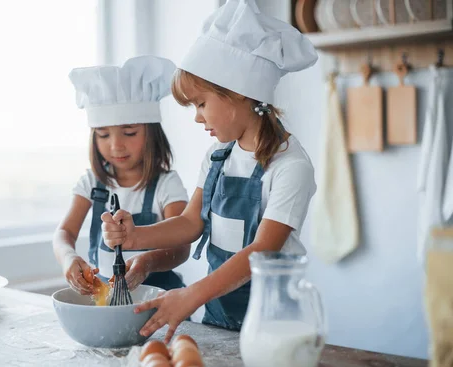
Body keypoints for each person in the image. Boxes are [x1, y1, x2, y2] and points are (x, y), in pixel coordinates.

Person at [101, 0, 319, 342]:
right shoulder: (218, 156)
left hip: (274, 322)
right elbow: (191, 223)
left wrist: (190, 296)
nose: (197, 117)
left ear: (239, 93)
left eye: (201, 103)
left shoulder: (290, 167)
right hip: (218, 315)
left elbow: (261, 251)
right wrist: (135, 237)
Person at [53, 56, 190, 298]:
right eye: (103, 135)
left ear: (152, 134)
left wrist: (147, 262)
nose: (116, 146)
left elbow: (181, 248)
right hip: (108, 296)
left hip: (160, 299)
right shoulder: (91, 183)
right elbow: (64, 233)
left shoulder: (166, 185)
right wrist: (68, 257)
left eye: (129, 132)